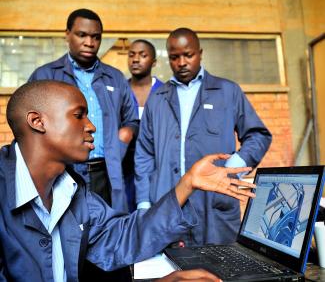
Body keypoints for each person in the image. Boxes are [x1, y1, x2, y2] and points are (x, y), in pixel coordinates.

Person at [0, 80, 255, 282]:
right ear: (37, 121)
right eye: (79, 115)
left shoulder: (72, 190)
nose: (91, 127)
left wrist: (186, 184)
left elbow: (120, 237)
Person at [135, 27, 272, 246]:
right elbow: (144, 153)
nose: (181, 62)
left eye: (188, 55)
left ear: (200, 53)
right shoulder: (157, 98)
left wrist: (232, 168)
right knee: (174, 273)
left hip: (214, 206)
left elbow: (258, 135)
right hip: (168, 205)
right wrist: (144, 203)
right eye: (174, 57)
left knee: (222, 271)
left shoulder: (227, 91)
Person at [29, 8, 137, 213]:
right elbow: (29, 129)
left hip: (106, 172)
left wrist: (124, 135)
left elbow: (132, 119)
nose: (90, 42)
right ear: (67, 34)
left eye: (96, 37)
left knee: (109, 232)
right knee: (68, 234)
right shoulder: (45, 76)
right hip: (63, 171)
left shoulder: (115, 77)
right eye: (82, 35)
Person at [123, 39, 164, 211]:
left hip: (156, 169)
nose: (136, 59)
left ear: (154, 62)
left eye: (143, 55)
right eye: (131, 55)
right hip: (124, 169)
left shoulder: (165, 92)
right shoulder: (120, 90)